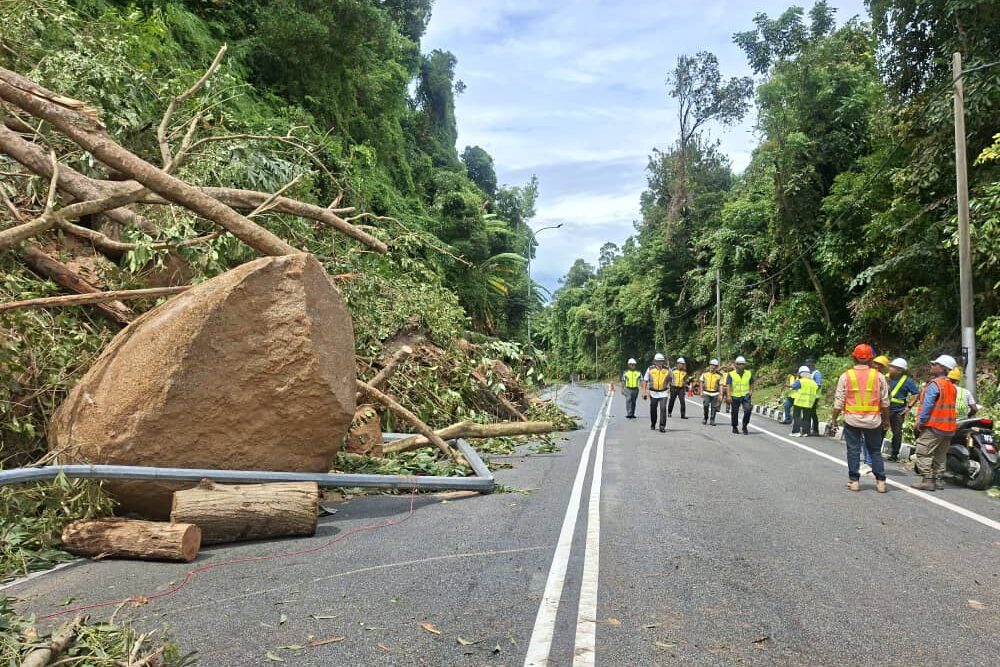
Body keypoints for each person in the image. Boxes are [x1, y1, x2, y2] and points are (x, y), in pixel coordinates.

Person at [829, 343, 890, 493]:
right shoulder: (879, 376)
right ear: (871, 359)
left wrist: (834, 419)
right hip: (873, 420)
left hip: (852, 420)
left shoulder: (846, 376)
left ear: (854, 357)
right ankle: (881, 482)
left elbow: (838, 402)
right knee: (875, 450)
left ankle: (854, 481)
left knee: (853, 450)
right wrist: (886, 420)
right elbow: (885, 402)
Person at [911, 355, 959, 491]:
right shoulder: (951, 386)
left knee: (923, 451)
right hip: (948, 428)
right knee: (940, 454)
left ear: (942, 369)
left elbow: (928, 405)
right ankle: (938, 480)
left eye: (935, 364)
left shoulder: (935, 384)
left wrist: (920, 421)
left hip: (934, 426)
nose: (931, 366)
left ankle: (927, 480)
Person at [886, 358, 919, 461]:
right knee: (880, 430)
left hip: (898, 411)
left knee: (897, 433)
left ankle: (894, 454)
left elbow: (916, 393)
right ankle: (875, 451)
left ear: (899, 370)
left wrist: (908, 407)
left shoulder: (907, 381)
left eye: (893, 367)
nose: (890, 368)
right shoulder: (885, 377)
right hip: (884, 408)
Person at [642, 353, 672, 433]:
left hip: (664, 392)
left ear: (663, 361)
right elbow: (645, 380)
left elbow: (672, 379)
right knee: (653, 409)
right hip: (653, 392)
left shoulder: (668, 369)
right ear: (655, 361)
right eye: (658, 361)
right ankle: (653, 423)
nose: (660, 363)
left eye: (661, 361)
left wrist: (669, 386)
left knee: (663, 408)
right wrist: (644, 391)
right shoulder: (650, 369)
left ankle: (662, 426)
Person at [724, 356, 753, 435]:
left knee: (748, 410)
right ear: (736, 365)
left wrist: (751, 391)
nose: (741, 366)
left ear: (745, 365)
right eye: (739, 364)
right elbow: (728, 385)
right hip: (735, 396)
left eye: (742, 364)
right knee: (734, 412)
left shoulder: (748, 373)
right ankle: (734, 426)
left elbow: (751, 383)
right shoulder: (731, 374)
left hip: (745, 395)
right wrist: (729, 396)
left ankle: (744, 425)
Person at [790, 366, 818, 437]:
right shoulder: (813, 383)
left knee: (797, 417)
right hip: (809, 403)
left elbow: (793, 386)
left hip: (799, 401)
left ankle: (796, 432)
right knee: (807, 418)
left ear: (801, 374)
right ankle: (806, 432)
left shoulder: (800, 381)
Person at [699, 359, 724, 426]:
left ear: (717, 367)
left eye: (715, 366)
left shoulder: (719, 375)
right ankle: (705, 418)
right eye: (712, 365)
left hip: (715, 393)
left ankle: (712, 420)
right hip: (706, 392)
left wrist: (721, 395)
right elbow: (701, 382)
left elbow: (721, 385)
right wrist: (701, 391)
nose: (713, 367)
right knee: (706, 405)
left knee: (714, 407)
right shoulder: (704, 373)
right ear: (710, 365)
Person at [804, 357, 823, 436]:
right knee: (810, 413)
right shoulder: (809, 374)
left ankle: (814, 430)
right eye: (807, 365)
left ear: (813, 365)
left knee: (811, 413)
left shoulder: (817, 373)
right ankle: (809, 430)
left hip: (814, 397)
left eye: (809, 365)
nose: (808, 367)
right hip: (809, 396)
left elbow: (818, 384)